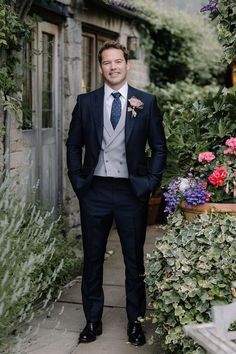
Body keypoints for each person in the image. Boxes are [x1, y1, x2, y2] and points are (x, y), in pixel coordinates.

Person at [66, 40, 166, 346]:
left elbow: (160, 148)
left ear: (127, 64)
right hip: (94, 190)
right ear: (100, 68)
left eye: (118, 61)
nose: (113, 67)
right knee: (92, 259)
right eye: (107, 62)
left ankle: (135, 323)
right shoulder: (87, 102)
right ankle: (92, 321)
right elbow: (73, 145)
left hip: (130, 192)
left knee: (134, 262)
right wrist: (78, 181)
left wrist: (149, 184)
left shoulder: (145, 102)